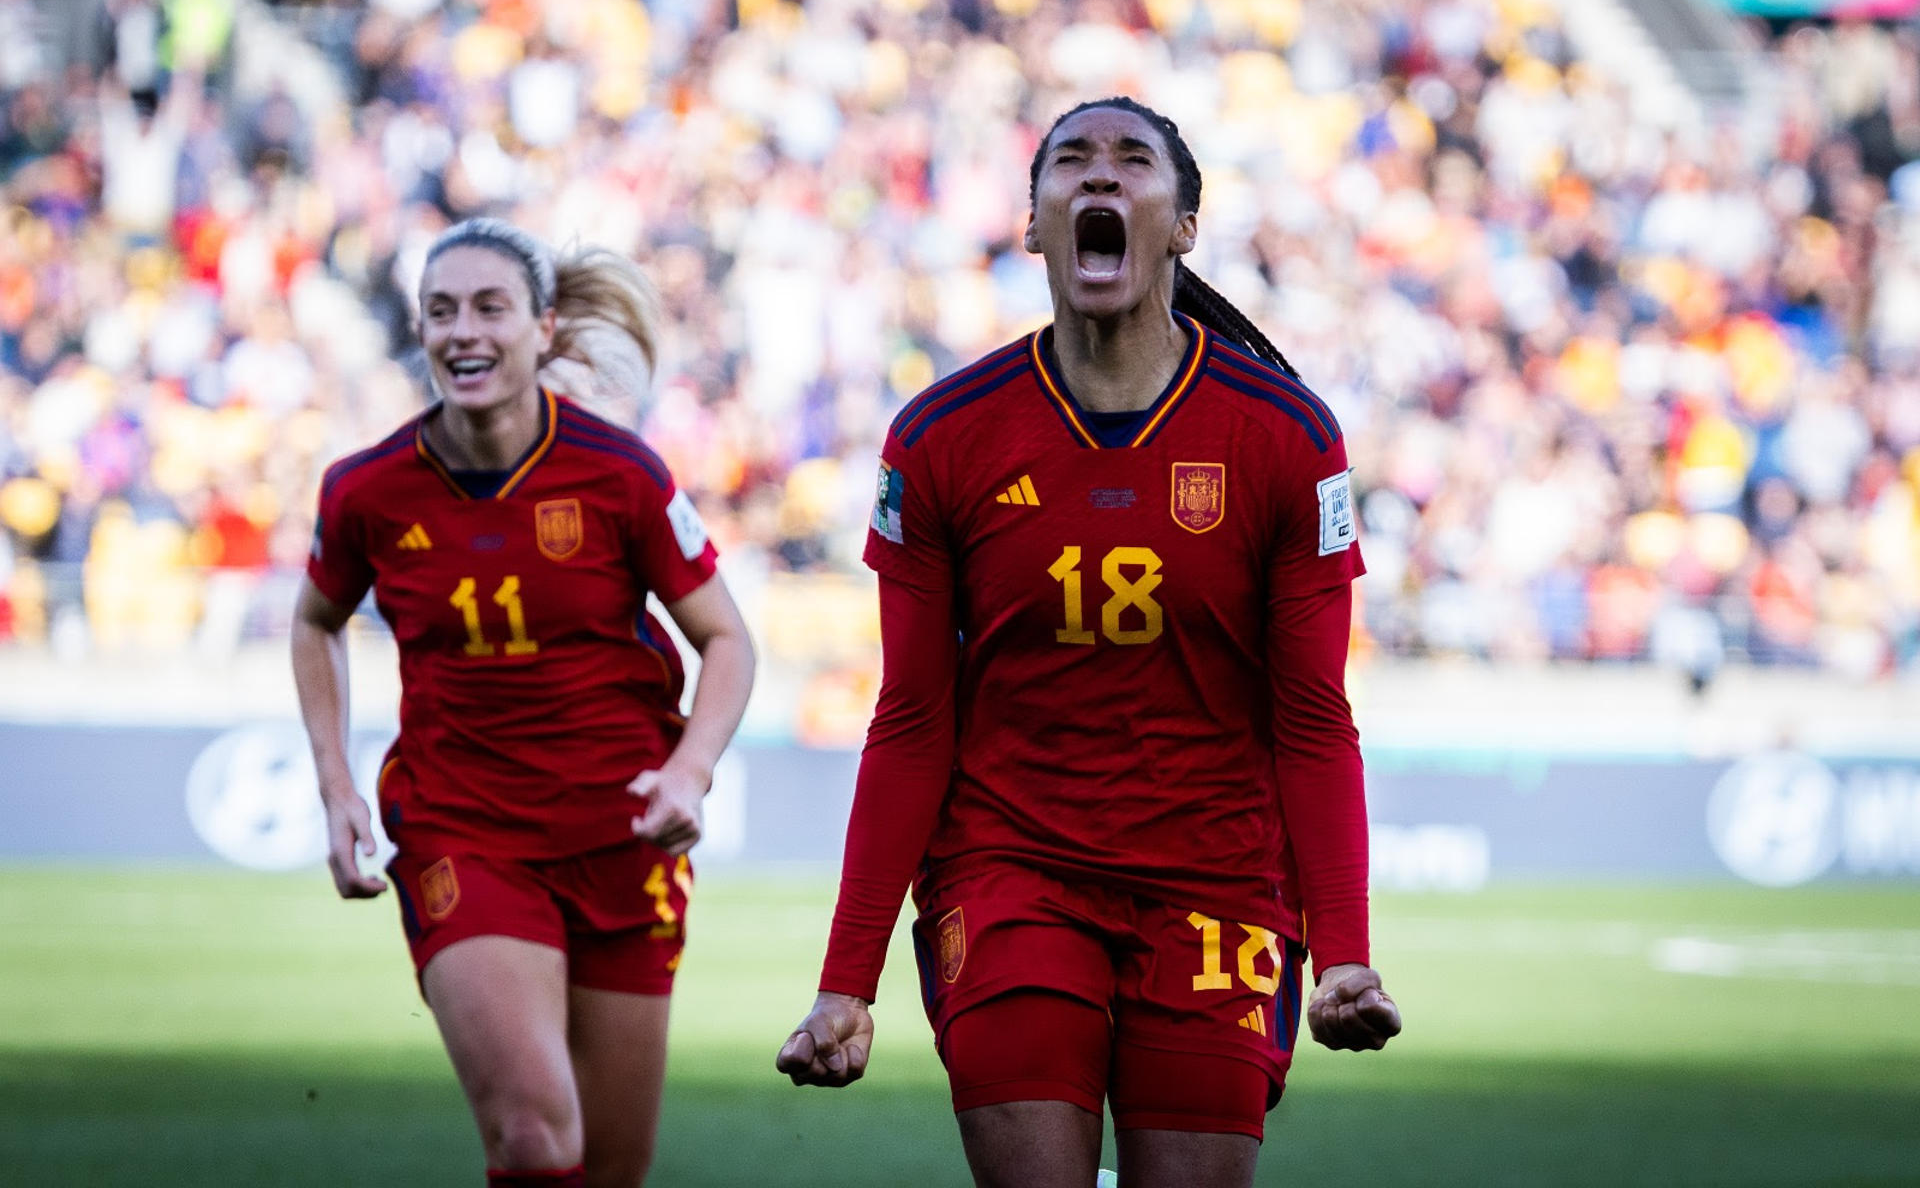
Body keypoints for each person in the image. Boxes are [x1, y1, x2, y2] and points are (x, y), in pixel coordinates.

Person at [777, 98, 1400, 1188]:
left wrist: (1344, 953)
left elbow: (1313, 720)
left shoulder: (1287, 436)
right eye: (1071, 161)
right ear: (1033, 225)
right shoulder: (941, 436)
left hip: (1218, 881)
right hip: (1009, 869)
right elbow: (912, 720)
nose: (1100, 177)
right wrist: (845, 982)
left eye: (1131, 161)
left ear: (1184, 225)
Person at [292, 218, 755, 1188]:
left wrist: (689, 771)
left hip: (623, 838)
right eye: (441, 312)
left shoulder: (620, 474)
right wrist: (335, 786)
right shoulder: (367, 491)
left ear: (543, 328)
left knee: (610, 1168)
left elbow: (727, 641)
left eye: (489, 308)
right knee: (535, 1138)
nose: (463, 331)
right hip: (464, 831)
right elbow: (315, 621)